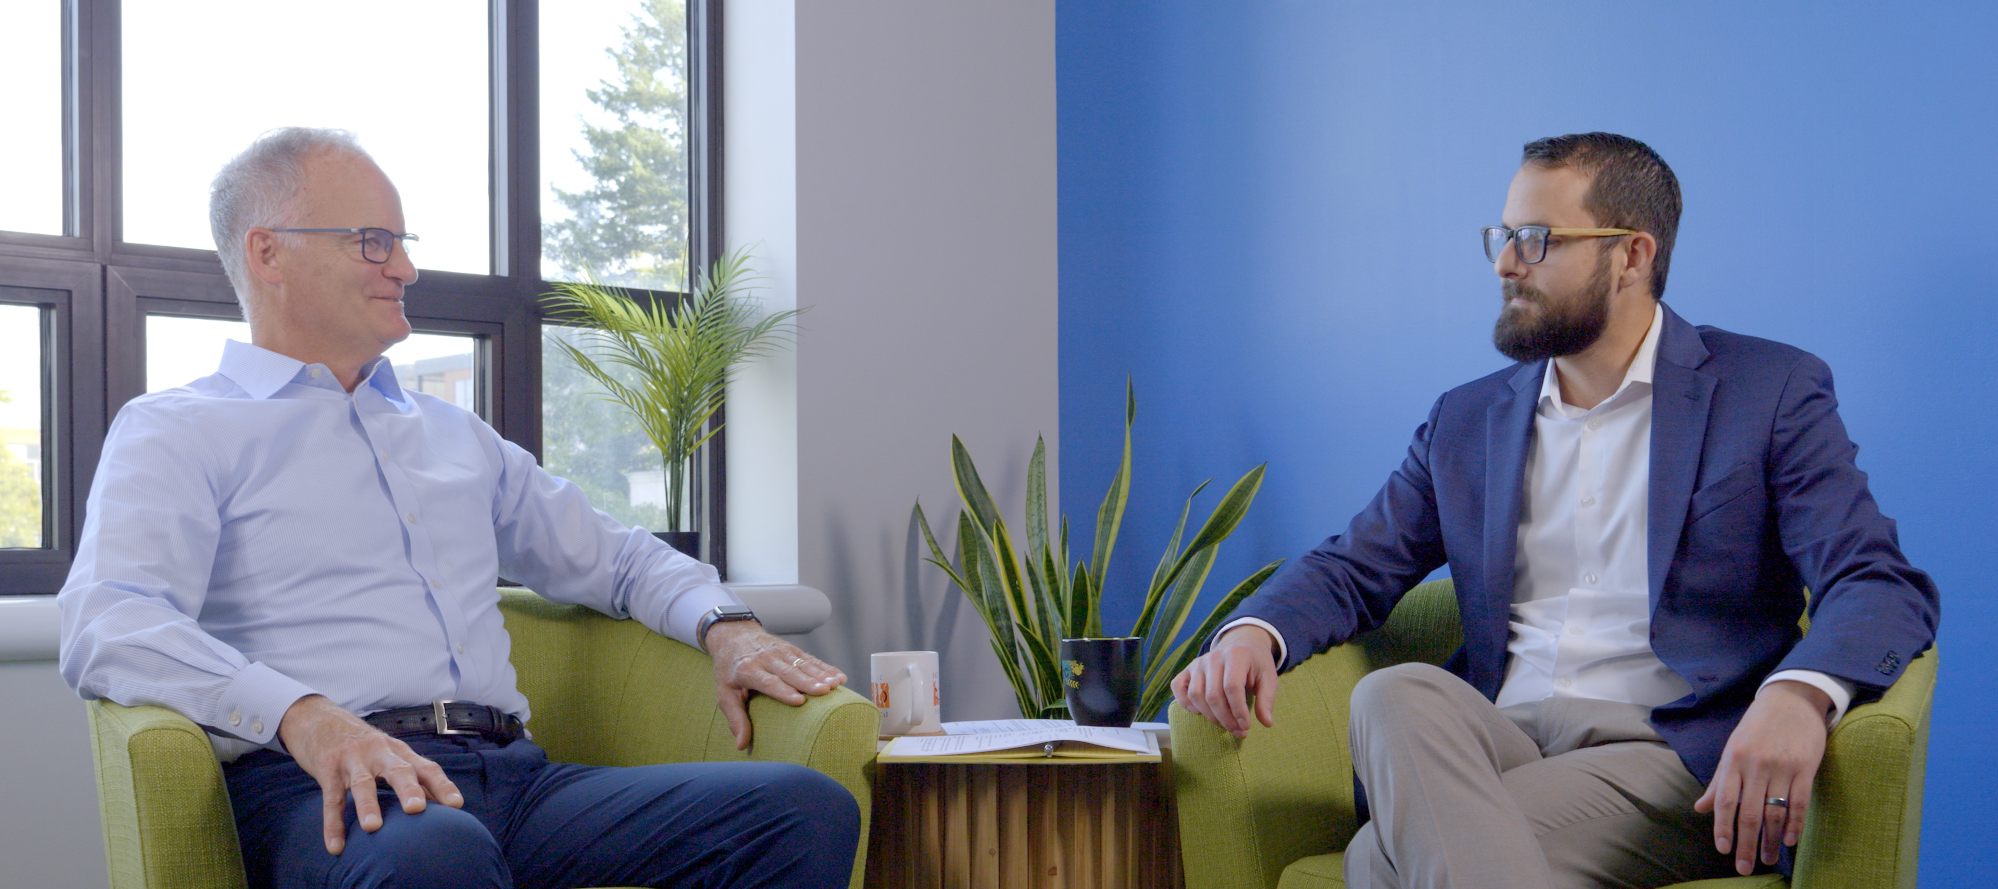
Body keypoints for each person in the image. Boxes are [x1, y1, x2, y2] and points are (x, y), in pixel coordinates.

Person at [58, 127, 860, 889]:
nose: (404, 268)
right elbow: (110, 621)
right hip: (327, 787)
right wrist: (304, 714)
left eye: (405, 243)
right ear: (267, 252)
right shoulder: (178, 429)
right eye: (373, 241)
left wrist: (728, 626)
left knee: (799, 809)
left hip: (518, 780)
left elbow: (614, 557)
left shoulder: (454, 436)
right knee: (434, 854)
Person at [1172, 132, 1938, 889]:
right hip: (1495, 740)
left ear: (1632, 255)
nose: (1506, 262)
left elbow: (1875, 581)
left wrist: (1798, 694)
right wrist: (1253, 634)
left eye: (1536, 239)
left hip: (1669, 757)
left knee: (1379, 859)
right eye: (1502, 236)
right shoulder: (1466, 420)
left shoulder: (1766, 391)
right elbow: (1353, 565)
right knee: (1390, 693)